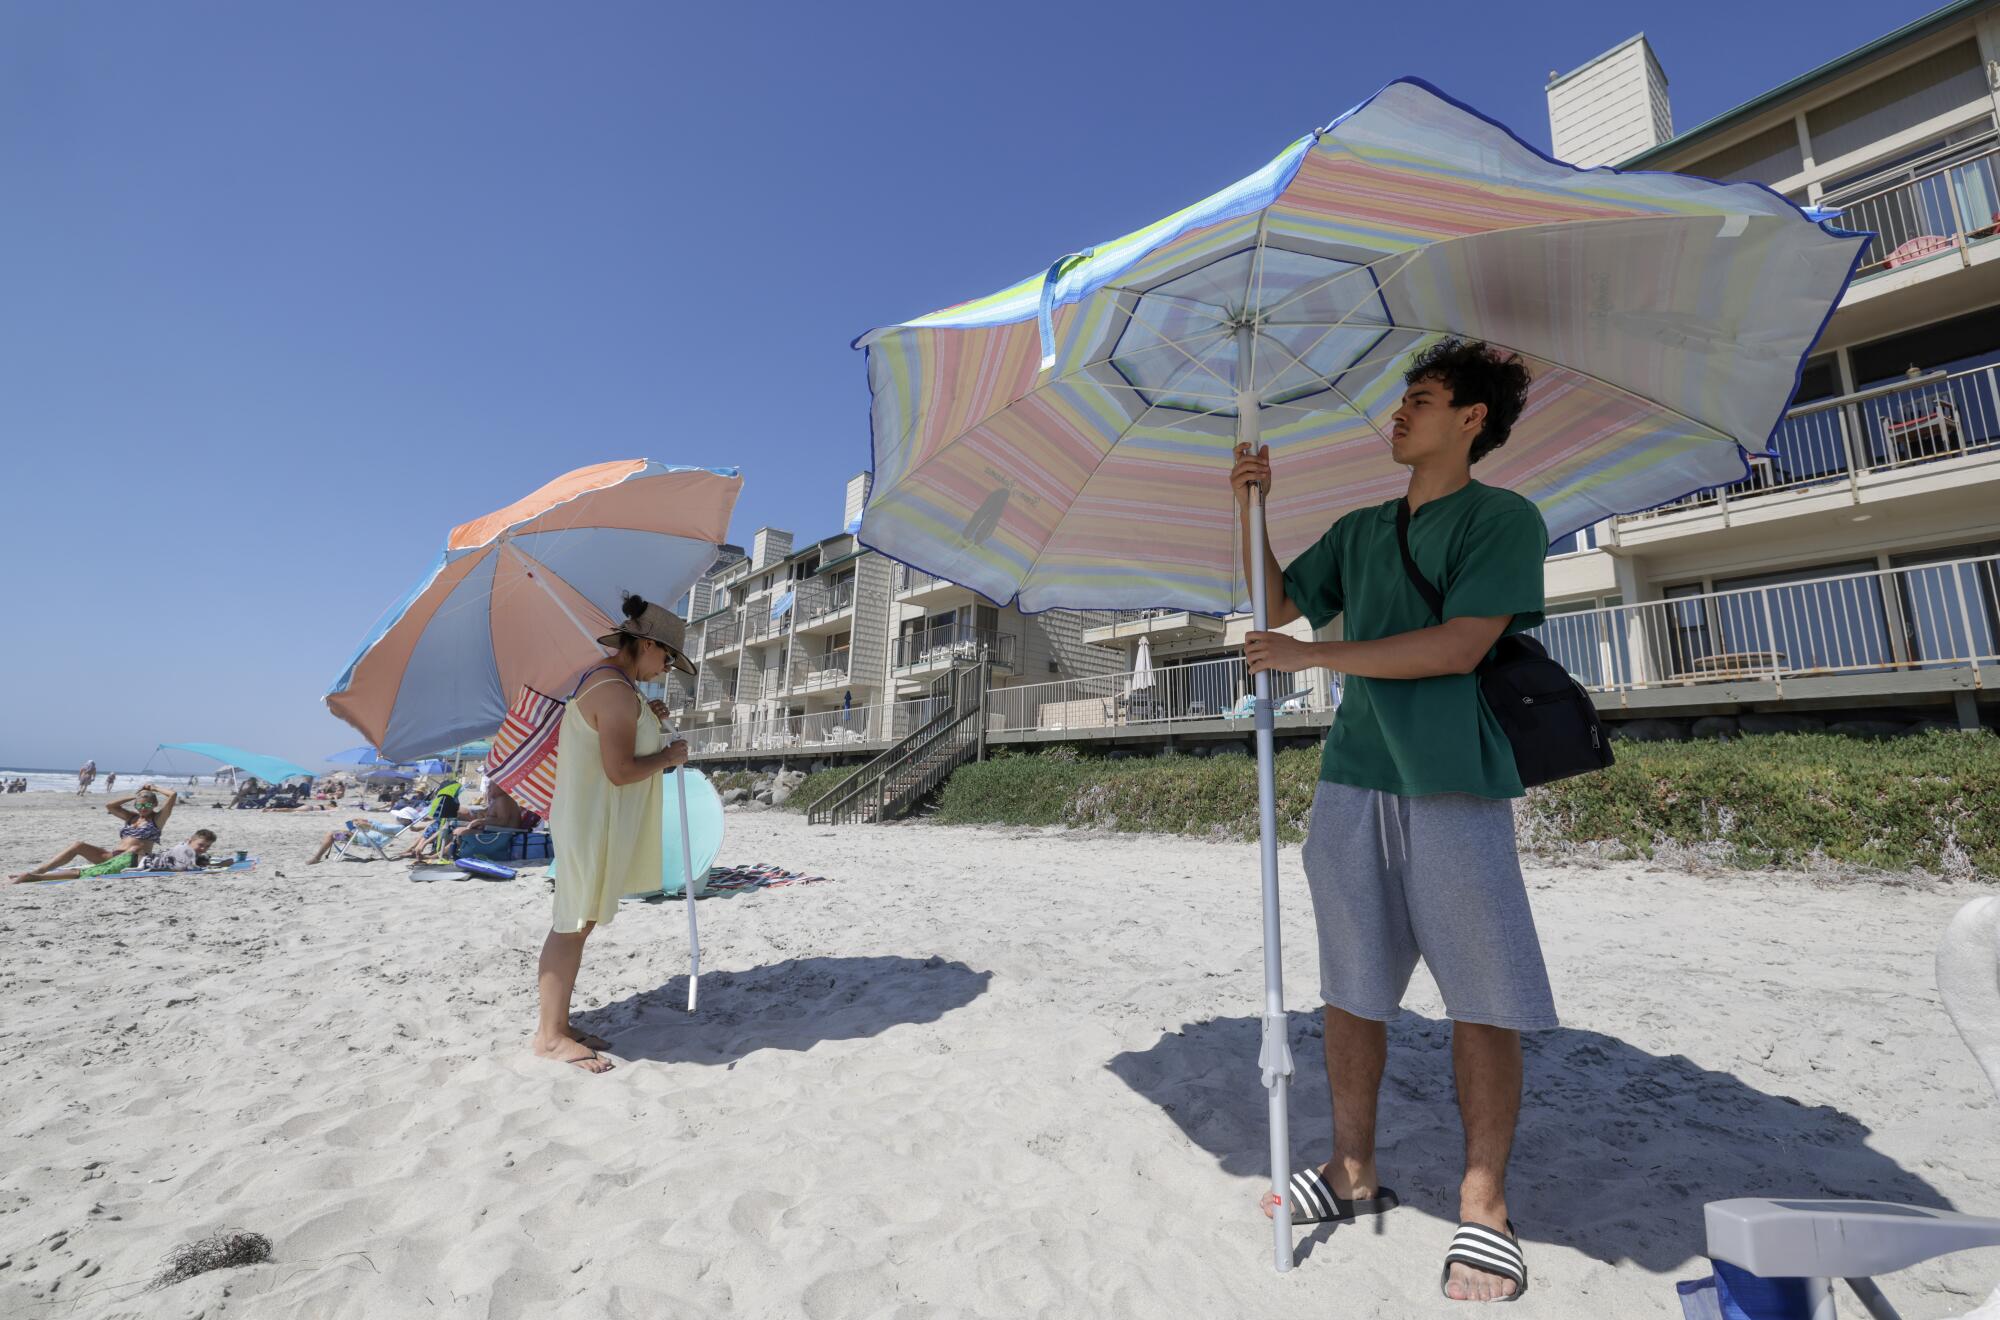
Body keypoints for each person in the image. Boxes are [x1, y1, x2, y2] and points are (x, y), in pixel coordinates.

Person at [1235, 339, 1551, 1304]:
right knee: (1350, 989)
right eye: (1402, 400)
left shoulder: (1504, 519)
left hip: (1456, 780)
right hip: (1353, 778)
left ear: (1472, 420)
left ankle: (1484, 1204)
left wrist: (1314, 662)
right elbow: (1276, 600)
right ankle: (1351, 1170)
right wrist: (1249, 502)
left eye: (1421, 398)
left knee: (1483, 996)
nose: (1399, 414)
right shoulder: (1362, 527)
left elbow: (1458, 648)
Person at [534, 593, 693, 1073]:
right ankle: (549, 1036)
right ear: (645, 644)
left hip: (591, 818)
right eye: (666, 655)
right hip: (591, 822)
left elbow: (619, 737)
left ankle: (558, 1024)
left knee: (578, 923)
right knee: (571, 922)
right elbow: (621, 770)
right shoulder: (615, 690)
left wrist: (651, 720)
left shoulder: (616, 685)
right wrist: (669, 756)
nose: (666, 666)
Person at [11, 784, 180, 882]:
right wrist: (134, 795)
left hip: (133, 859)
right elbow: (110, 806)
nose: (143, 809)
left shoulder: (157, 820)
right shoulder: (131, 817)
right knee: (78, 845)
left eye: (147, 806)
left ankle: (34, 877)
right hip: (113, 855)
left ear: (154, 805)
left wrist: (153, 788)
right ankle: (40, 870)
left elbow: (172, 795)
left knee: (86, 871)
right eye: (140, 805)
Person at [308, 818, 397, 864]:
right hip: (361, 835)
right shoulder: (396, 826)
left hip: (362, 838)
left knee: (331, 834)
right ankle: (318, 857)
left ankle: (317, 858)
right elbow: (379, 826)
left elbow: (379, 828)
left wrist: (365, 824)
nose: (397, 817)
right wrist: (365, 820)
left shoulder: (397, 827)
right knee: (334, 833)